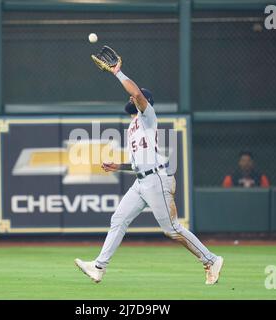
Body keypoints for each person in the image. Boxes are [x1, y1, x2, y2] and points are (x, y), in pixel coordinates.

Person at [74, 46, 223, 285]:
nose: (131, 97)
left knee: (172, 229)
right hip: (142, 181)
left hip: (157, 179)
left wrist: (118, 73)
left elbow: (138, 95)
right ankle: (99, 267)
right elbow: (138, 163)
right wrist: (119, 166)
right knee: (118, 219)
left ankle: (210, 259)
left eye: (134, 96)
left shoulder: (147, 115)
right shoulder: (133, 126)